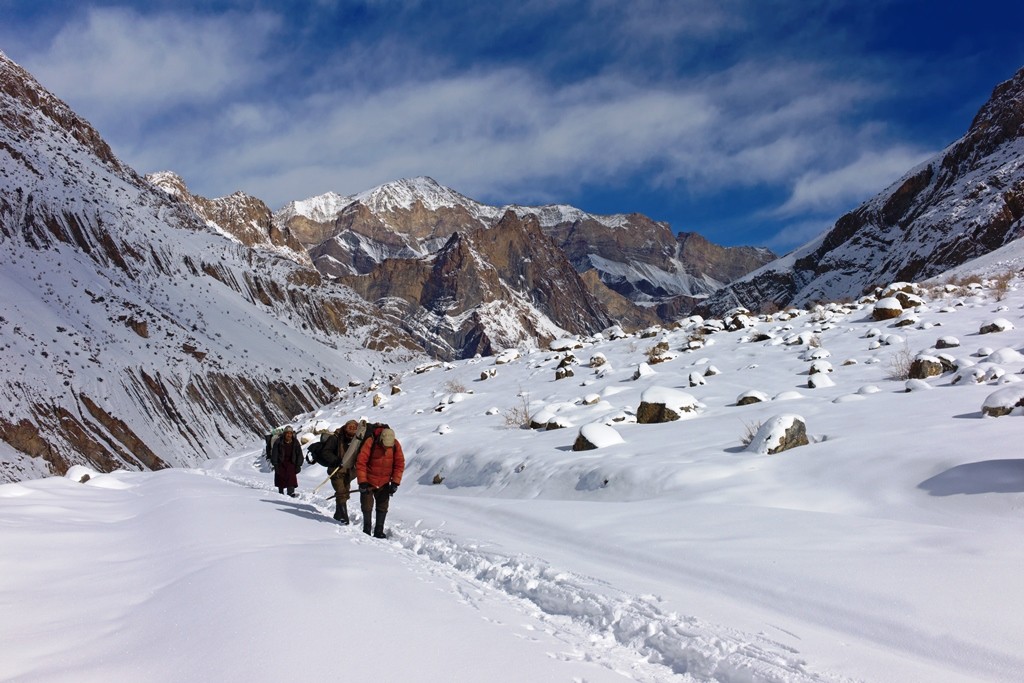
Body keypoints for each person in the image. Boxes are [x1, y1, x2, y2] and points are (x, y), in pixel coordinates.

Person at [356, 427, 404, 538]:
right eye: (384, 446)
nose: (386, 448)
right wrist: (362, 481)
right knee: (367, 506)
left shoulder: (395, 445)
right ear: (381, 440)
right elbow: (361, 462)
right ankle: (366, 530)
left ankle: (379, 531)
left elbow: (399, 464)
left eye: (389, 447)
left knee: (383, 506)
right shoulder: (371, 442)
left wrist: (395, 482)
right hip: (368, 481)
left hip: (385, 482)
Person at [324, 420, 361, 524]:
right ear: (345, 427)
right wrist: (336, 460)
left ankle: (337, 514)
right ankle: (344, 518)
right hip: (336, 471)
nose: (352, 429)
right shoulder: (335, 438)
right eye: (350, 427)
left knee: (345, 494)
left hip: (349, 472)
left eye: (355, 427)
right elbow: (325, 452)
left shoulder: (357, 439)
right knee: (341, 493)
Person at [270, 425, 303, 497]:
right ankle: (280, 494)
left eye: (290, 433)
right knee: (280, 478)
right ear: (284, 434)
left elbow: (299, 454)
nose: (289, 435)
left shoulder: (295, 442)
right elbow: (275, 454)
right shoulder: (278, 442)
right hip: (280, 463)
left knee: (291, 478)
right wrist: (275, 464)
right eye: (287, 433)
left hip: (291, 463)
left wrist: (298, 465)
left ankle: (291, 493)